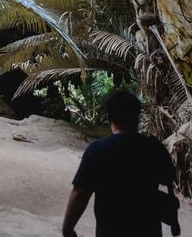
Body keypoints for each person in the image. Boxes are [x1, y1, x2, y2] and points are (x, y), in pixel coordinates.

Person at [62, 90, 178, 237]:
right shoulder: (153, 148)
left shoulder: (97, 150)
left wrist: (68, 229)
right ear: (137, 117)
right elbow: (168, 178)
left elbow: (80, 193)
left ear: (110, 118)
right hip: (149, 231)